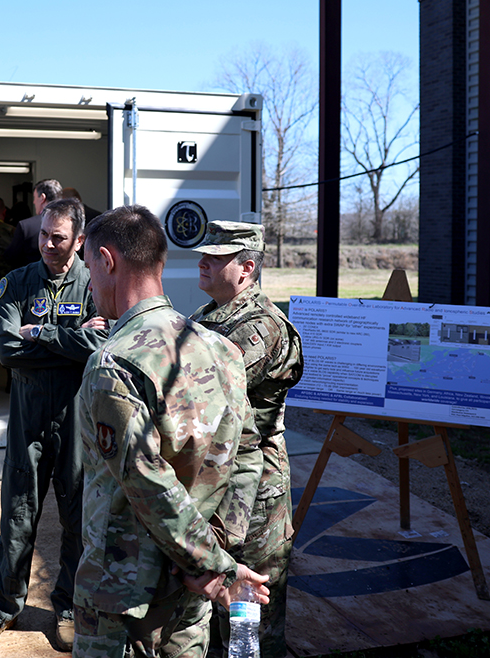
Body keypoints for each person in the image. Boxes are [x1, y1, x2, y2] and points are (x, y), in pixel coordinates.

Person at [73, 205, 269, 658]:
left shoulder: (114, 363)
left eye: (88, 268)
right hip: (190, 593)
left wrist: (211, 567)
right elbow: (246, 457)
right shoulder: (221, 349)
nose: (89, 283)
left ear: (107, 261)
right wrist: (212, 557)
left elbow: (146, 481)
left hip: (123, 600)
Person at [0, 198, 108, 653]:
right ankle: (1, 608)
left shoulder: (94, 285)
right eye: (44, 234)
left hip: (76, 416)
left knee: (77, 518)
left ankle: (68, 609)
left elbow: (101, 343)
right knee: (17, 515)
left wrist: (40, 333)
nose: (47, 244)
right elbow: (7, 350)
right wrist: (72, 342)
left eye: (58, 237)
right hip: (28, 418)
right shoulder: (17, 283)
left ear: (79, 240)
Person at [190, 221, 304, 658]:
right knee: (213, 601)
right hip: (218, 483)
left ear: (247, 268)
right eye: (204, 255)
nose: (203, 262)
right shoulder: (208, 316)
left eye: (216, 257)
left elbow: (200, 388)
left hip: (255, 496)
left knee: (249, 621)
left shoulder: (261, 327)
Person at [4, 178, 62, 269]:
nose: (34, 202)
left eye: (35, 198)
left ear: (42, 198)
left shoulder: (26, 226)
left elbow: (11, 257)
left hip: (31, 276)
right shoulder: (71, 224)